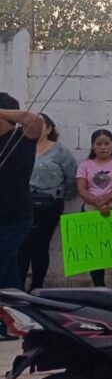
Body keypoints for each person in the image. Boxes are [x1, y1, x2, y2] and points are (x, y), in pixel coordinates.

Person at [0, 94, 43, 340]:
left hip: (15, 217)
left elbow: (34, 120)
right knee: (8, 274)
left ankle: (13, 322)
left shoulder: (21, 138)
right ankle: (17, 322)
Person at [18, 114, 77, 290]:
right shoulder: (20, 148)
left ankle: (37, 286)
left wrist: (60, 196)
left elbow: (71, 177)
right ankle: (18, 287)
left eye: (40, 124)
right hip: (23, 203)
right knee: (22, 246)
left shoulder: (60, 152)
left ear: (49, 129)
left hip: (49, 205)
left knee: (41, 245)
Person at [76, 129, 112, 289]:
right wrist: (99, 205)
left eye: (107, 143)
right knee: (96, 255)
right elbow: (81, 189)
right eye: (99, 144)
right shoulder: (84, 165)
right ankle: (99, 289)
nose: (103, 147)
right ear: (92, 146)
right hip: (91, 212)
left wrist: (105, 201)